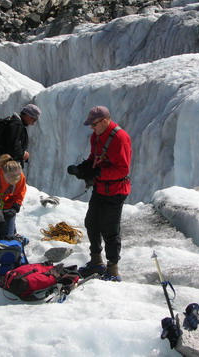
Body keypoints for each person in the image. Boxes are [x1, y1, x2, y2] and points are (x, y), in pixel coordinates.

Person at [67, 106, 132, 282]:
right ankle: (96, 261)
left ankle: (113, 269)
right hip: (101, 187)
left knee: (110, 229)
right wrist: (83, 168)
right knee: (92, 223)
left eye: (94, 124)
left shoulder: (120, 139)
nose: (92, 128)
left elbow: (122, 169)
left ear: (104, 121)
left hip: (115, 191)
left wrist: (98, 174)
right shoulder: (97, 136)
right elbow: (94, 157)